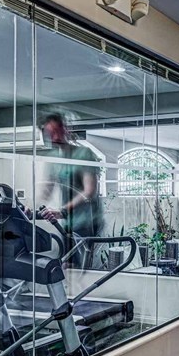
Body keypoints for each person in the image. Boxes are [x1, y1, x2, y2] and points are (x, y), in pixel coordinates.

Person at [38, 113, 103, 266]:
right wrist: (28, 209)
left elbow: (89, 190)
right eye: (49, 133)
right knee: (67, 266)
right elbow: (46, 190)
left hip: (87, 221)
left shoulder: (84, 154)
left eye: (56, 131)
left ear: (65, 129)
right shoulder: (53, 158)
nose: (54, 137)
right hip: (67, 223)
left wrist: (62, 210)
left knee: (81, 268)